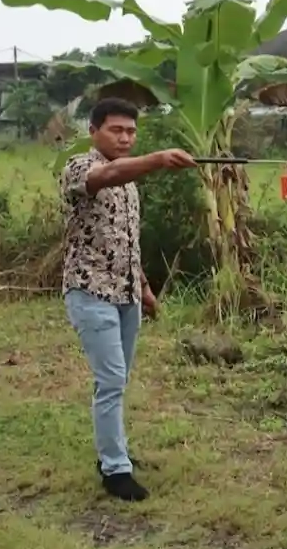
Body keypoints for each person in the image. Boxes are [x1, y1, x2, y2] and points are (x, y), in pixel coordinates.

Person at [60, 98, 197, 502]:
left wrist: (144, 288)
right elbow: (108, 174)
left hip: (126, 294)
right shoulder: (80, 168)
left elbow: (126, 242)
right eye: (116, 130)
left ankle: (113, 453)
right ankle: (116, 470)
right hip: (90, 290)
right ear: (93, 131)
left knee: (116, 381)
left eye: (131, 132)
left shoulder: (130, 186)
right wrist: (157, 159)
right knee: (111, 380)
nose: (125, 138)